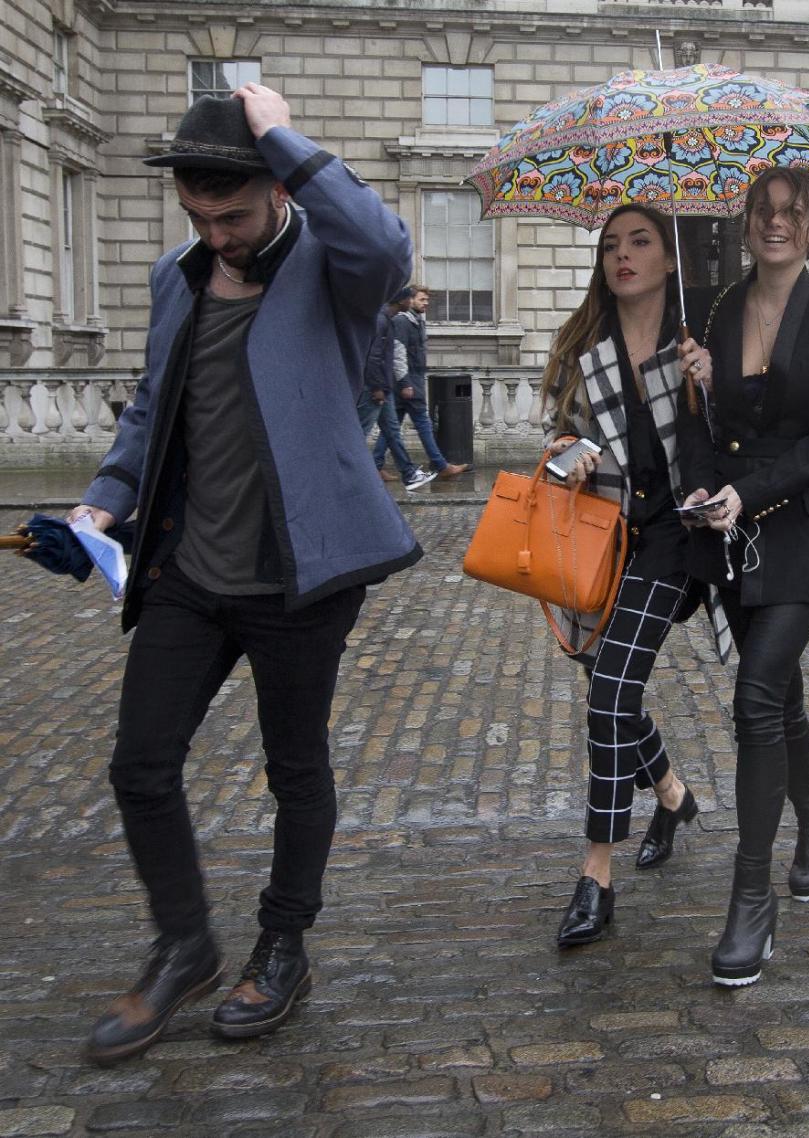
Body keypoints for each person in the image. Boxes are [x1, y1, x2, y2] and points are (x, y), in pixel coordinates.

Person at [67, 86, 419, 1064]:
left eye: (233, 213)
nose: (217, 234)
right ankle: (185, 943)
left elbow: (389, 246)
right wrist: (100, 502)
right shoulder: (176, 279)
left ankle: (284, 942)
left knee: (294, 766)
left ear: (273, 189)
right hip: (189, 566)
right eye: (199, 216)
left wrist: (284, 135)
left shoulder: (330, 269)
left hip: (301, 575)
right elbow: (148, 411)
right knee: (140, 761)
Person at [677, 167, 809, 987]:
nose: (776, 223)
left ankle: (749, 901)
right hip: (734, 535)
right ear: (746, 222)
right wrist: (703, 389)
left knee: (756, 695)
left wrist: (748, 489)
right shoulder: (723, 310)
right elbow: (729, 431)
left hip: (803, 530)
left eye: (792, 213)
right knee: (782, 696)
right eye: (763, 211)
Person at [541, 203, 715, 948]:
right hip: (609, 537)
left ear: (670, 256)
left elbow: (749, 434)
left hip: (682, 536)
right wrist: (568, 450)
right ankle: (672, 797)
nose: (624, 255)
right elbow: (556, 434)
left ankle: (595, 877)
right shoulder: (587, 344)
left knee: (611, 690)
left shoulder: (701, 337)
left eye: (641, 241)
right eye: (611, 244)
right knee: (605, 682)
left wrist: (716, 383)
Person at [374, 285, 471, 481]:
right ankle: (441, 464)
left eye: (427, 300)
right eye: (421, 299)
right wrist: (405, 383)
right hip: (408, 382)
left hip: (409, 381)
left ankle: (375, 465)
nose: (425, 303)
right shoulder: (402, 321)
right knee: (423, 423)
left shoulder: (416, 321)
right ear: (410, 300)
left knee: (391, 428)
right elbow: (398, 354)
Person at [357, 301, 435, 490]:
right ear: (399, 299)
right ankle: (344, 474)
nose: (412, 301)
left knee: (392, 432)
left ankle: (409, 475)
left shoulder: (388, 319)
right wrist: (377, 387)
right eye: (409, 297)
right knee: (359, 433)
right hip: (375, 388)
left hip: (385, 387)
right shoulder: (381, 320)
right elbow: (374, 357)